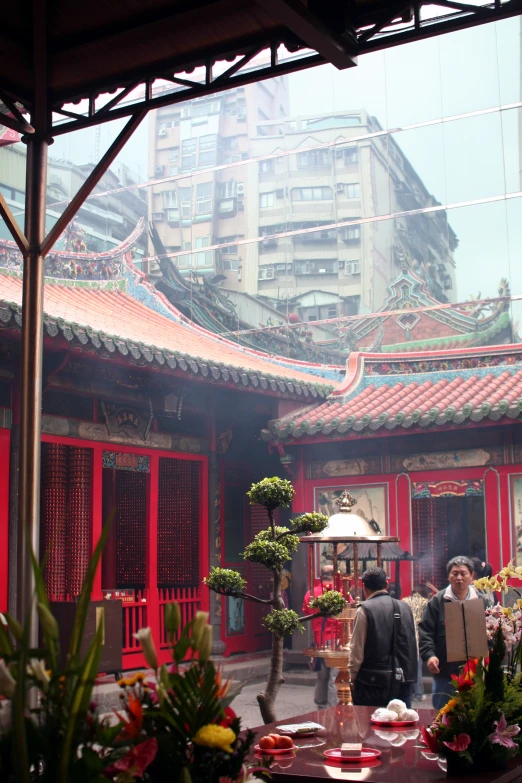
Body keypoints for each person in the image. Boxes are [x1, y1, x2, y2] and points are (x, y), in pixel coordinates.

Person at [419, 555, 486, 711]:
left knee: (475, 717)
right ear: (448, 576)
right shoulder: (437, 602)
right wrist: (430, 655)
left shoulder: (482, 601)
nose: (459, 578)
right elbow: (426, 631)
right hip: (445, 673)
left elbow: (491, 632)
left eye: (463, 573)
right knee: (443, 719)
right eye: (454, 573)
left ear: (472, 576)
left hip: (475, 673)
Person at [349, 567, 418, 708]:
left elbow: (357, 649)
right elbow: (413, 644)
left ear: (364, 587)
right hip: (403, 680)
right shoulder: (405, 608)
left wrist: (352, 678)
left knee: (371, 725)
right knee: (401, 724)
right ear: (386, 584)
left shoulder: (364, 610)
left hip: (373, 683)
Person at [302, 564, 339, 709]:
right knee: (334, 678)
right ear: (334, 575)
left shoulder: (311, 594)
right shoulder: (340, 592)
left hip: (318, 639)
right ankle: (333, 708)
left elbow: (306, 612)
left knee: (322, 676)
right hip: (336, 639)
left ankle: (321, 704)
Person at [402, 585, 430, 701]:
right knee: (417, 667)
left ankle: (410, 693)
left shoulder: (404, 601)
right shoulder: (426, 602)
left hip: (406, 636)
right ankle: (418, 693)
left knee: (407, 666)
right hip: (420, 638)